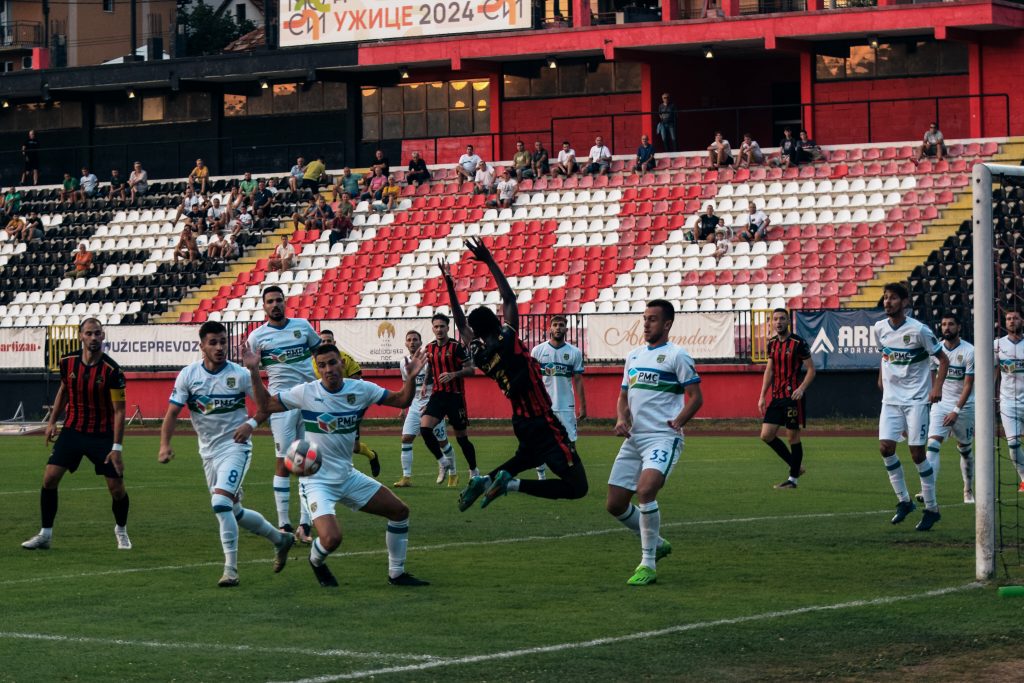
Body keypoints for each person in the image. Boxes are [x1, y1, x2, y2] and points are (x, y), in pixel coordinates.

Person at [242, 342, 431, 588]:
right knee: (331, 539)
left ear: (342, 363)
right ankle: (316, 560)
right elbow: (266, 405)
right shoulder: (306, 392)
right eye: (322, 365)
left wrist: (412, 378)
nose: (328, 369)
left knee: (399, 511)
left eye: (332, 363)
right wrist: (254, 370)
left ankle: (397, 574)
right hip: (316, 482)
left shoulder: (361, 389)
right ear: (317, 369)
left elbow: (402, 400)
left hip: (347, 476)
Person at [444, 240, 589, 513]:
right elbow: (509, 298)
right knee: (578, 487)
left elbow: (461, 324)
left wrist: (451, 288)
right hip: (542, 418)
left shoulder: (479, 354)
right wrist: (489, 260)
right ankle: (509, 485)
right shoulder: (508, 339)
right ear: (496, 322)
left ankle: (483, 481)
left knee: (527, 458)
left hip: (520, 421)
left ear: (477, 333)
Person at [159, 321, 295, 587]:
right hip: (208, 452)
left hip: (236, 447)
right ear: (202, 346)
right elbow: (172, 412)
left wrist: (251, 422)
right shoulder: (188, 375)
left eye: (223, 341)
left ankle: (230, 570)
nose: (220, 347)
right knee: (234, 510)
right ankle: (281, 539)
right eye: (213, 342)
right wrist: (164, 445)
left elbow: (266, 405)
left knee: (220, 504)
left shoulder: (240, 374)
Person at [606, 300, 703, 585]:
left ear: (667, 324)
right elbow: (623, 396)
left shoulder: (677, 356)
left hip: (662, 437)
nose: (646, 324)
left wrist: (679, 421)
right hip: (634, 438)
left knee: (646, 490)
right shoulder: (634, 356)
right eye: (645, 318)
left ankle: (647, 564)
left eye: (653, 319)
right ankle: (657, 543)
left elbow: (696, 398)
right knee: (615, 504)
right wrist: (621, 418)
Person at [22, 319, 131, 551]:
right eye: (89, 333)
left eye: (97, 333)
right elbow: (64, 390)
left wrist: (116, 448)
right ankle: (45, 534)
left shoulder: (112, 371)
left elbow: (120, 411)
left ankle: (121, 530)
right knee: (49, 478)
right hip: (72, 430)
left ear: (103, 336)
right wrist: (52, 421)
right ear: (80, 336)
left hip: (101, 435)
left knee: (116, 489)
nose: (93, 338)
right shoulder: (67, 362)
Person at [246, 287, 323, 544]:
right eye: (270, 301)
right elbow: (250, 372)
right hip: (280, 404)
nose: (275, 304)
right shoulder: (257, 337)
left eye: (279, 300)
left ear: (285, 302)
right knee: (283, 462)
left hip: (309, 401)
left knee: (308, 462)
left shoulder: (303, 326)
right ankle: (283, 524)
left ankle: (305, 524)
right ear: (264, 306)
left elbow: (321, 354)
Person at [874, 282, 949, 531]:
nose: (888, 302)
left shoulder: (919, 330)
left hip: (916, 400)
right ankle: (904, 502)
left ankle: (932, 509)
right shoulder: (879, 328)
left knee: (917, 454)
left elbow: (943, 359)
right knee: (885, 448)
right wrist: (881, 377)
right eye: (885, 297)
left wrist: (936, 387)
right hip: (891, 400)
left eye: (893, 298)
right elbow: (883, 354)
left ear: (905, 302)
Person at [912, 313, 975, 505]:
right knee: (932, 444)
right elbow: (932, 377)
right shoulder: (936, 351)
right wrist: (932, 396)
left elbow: (968, 385)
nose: (947, 327)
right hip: (941, 404)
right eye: (944, 324)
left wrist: (956, 410)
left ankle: (968, 490)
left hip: (964, 406)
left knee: (965, 449)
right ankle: (927, 490)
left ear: (959, 327)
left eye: (951, 324)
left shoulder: (970, 351)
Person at [758, 308, 815, 489]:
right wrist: (762, 395)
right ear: (772, 323)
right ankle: (796, 467)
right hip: (776, 397)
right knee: (766, 435)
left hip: (792, 397)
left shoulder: (798, 343)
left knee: (792, 437)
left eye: (782, 318)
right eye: (775, 319)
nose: (778, 322)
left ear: (788, 321)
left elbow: (811, 370)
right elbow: (769, 370)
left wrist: (801, 388)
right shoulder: (772, 343)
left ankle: (792, 480)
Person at [316, 328, 383, 481]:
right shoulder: (313, 361)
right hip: (323, 409)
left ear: (334, 342)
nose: (326, 343)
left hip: (345, 410)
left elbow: (357, 380)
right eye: (323, 341)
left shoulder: (345, 358)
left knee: (354, 447)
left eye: (328, 341)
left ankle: (371, 455)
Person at [421, 312, 478, 486]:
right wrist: (425, 383)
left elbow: (471, 370)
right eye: (436, 327)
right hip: (437, 395)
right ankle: (443, 461)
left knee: (462, 438)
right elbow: (431, 367)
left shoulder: (456, 347)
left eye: (442, 326)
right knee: (425, 429)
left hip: (455, 397)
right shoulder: (429, 348)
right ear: (432, 329)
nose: (439, 329)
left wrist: (454, 374)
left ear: (448, 328)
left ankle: (474, 470)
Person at [394, 329, 456, 488]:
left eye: (415, 339)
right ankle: (406, 477)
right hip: (415, 404)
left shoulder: (429, 359)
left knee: (442, 442)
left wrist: (433, 405)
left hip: (432, 402)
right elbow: (405, 384)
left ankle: (453, 473)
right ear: (405, 343)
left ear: (421, 343)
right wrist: (403, 407)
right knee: (406, 438)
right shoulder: (403, 363)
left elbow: (438, 382)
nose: (412, 342)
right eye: (409, 340)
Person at [530, 315, 586, 481]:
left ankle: (573, 476)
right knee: (539, 442)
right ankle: (541, 475)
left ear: (566, 329)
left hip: (566, 406)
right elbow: (532, 379)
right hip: (543, 406)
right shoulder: (537, 351)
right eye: (555, 325)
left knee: (570, 443)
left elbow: (578, 380)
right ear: (550, 328)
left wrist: (583, 406)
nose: (558, 328)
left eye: (561, 325)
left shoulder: (574, 352)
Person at [995, 309, 1024, 492]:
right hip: (1008, 402)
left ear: (1022, 321)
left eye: (1015, 318)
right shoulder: (997, 345)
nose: (1012, 321)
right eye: (1008, 318)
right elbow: (993, 371)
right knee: (1013, 444)